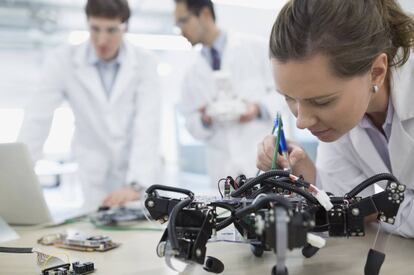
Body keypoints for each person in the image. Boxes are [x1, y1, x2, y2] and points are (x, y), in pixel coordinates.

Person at [256, 0, 414, 237]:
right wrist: (303, 172)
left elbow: (360, 209)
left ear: (376, 72)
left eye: (321, 101)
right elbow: (345, 199)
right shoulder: (345, 115)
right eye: (290, 98)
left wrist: (373, 209)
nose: (302, 121)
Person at [18, 0, 161, 208]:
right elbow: (37, 119)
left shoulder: (145, 63)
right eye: (95, 29)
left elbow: (147, 123)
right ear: (87, 23)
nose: (102, 40)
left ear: (125, 27)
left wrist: (137, 184)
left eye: (111, 30)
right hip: (93, 175)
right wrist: (19, 176)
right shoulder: (63, 60)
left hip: (137, 173)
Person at [174, 0, 285, 185]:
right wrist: (204, 119)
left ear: (205, 15)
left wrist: (257, 108)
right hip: (221, 166)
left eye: (183, 21)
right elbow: (189, 121)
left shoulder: (255, 48)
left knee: (265, 207)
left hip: (258, 157)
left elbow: (283, 94)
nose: (181, 30)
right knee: (224, 211)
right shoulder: (191, 74)